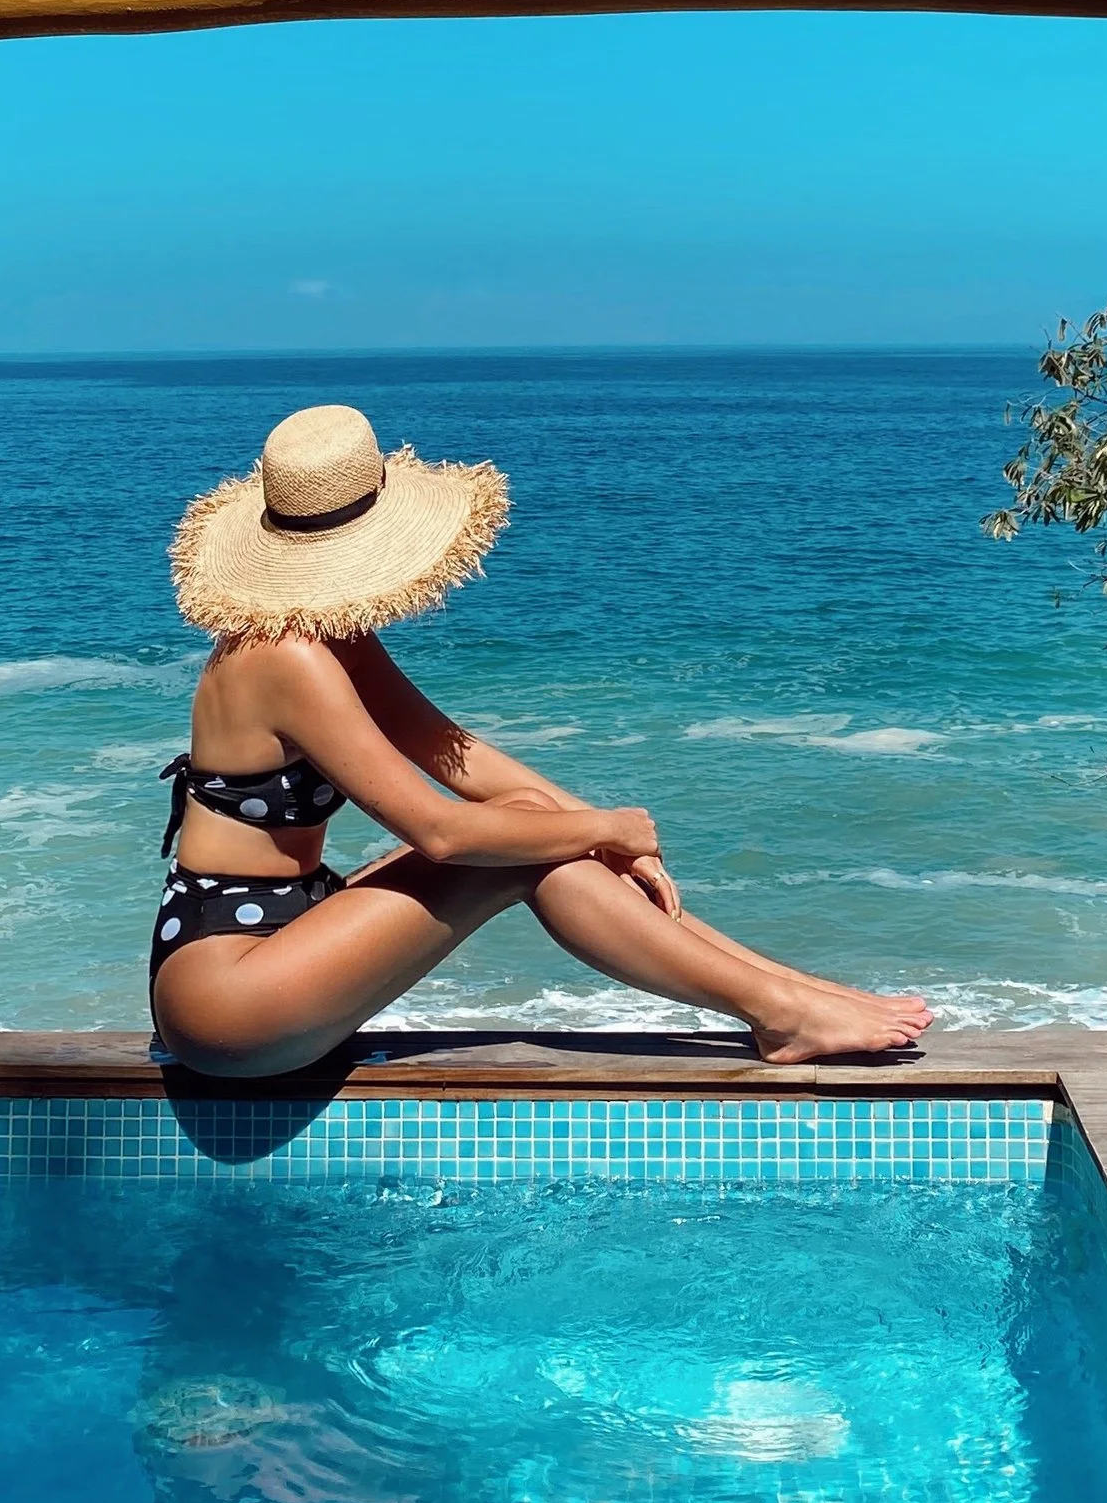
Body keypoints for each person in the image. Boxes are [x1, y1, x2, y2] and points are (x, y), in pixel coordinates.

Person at [148, 402, 932, 1076]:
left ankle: (790, 994)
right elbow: (442, 834)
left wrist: (619, 842)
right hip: (231, 1003)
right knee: (527, 847)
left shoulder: (322, 638)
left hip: (278, 953)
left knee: (538, 823)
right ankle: (780, 1012)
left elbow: (460, 755)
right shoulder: (285, 659)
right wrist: (606, 827)